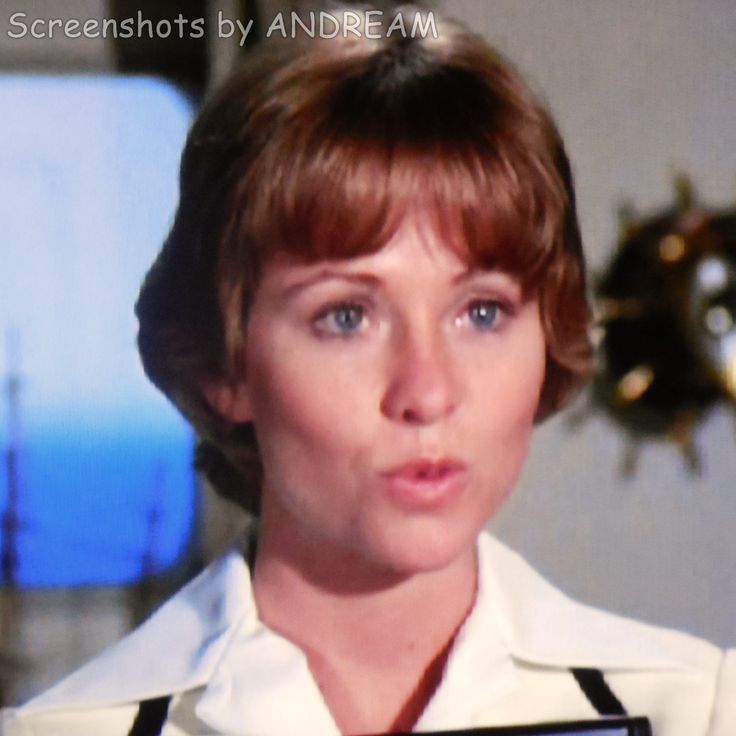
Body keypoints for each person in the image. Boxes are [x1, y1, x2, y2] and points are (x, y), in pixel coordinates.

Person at [2, 5, 733, 735]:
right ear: (228, 365)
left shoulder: (696, 711)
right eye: (346, 316)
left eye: (481, 312)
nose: (428, 391)